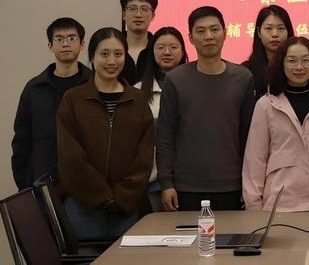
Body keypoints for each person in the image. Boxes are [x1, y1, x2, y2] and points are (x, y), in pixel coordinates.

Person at [57, 28, 154, 240]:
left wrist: (121, 196)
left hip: (127, 208)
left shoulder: (138, 100)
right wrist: (102, 195)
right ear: (92, 57)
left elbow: (144, 157)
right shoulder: (73, 99)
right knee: (85, 256)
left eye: (118, 54)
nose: (111, 61)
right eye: (104, 54)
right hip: (83, 207)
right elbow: (70, 156)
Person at [157, 6, 255, 212]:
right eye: (200, 31)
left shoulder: (243, 78)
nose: (208, 36)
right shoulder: (175, 79)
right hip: (185, 187)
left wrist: (249, 183)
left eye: (214, 29)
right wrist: (166, 183)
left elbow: (248, 136)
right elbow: (165, 135)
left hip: (232, 185)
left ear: (225, 33)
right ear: (190, 38)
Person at [242, 37, 309, 212]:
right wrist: (254, 207)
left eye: (306, 60)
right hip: (279, 206)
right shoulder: (266, 105)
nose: (299, 67)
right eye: (291, 60)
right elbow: (255, 160)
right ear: (281, 64)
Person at [12, 17, 92, 190]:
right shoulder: (34, 88)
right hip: (42, 183)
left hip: (86, 184)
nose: (65, 44)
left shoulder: (94, 85)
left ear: (82, 44)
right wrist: (25, 184)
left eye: (72, 38)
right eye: (59, 39)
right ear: (50, 46)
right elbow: (21, 141)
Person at [134, 27, 188, 212]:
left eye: (173, 47)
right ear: (152, 52)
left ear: (183, 51)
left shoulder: (196, 88)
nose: (167, 52)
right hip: (152, 182)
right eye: (160, 47)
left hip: (189, 179)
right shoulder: (137, 92)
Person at [243, 5, 295, 99]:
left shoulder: (297, 68)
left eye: (281, 28)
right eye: (268, 28)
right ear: (259, 32)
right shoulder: (246, 71)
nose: (275, 34)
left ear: (288, 32)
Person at [120, 0, 158, 85]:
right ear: (123, 14)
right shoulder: (113, 46)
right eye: (132, 8)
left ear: (153, 15)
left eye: (144, 9)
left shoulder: (158, 49)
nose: (138, 15)